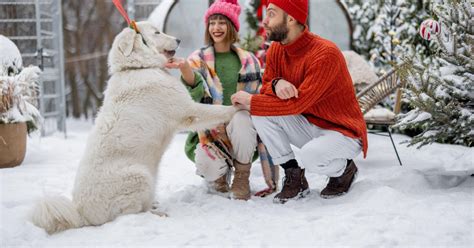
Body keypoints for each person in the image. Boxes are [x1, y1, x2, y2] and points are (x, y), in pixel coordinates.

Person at [231, 0, 368, 203]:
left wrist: (251, 101)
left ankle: (345, 170)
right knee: (262, 113)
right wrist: (277, 83)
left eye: (271, 14)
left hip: (343, 131)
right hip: (309, 123)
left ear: (291, 18)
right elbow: (267, 84)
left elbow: (299, 103)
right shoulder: (277, 48)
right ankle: (294, 177)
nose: (265, 21)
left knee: (310, 157)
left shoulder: (325, 54)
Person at [165, 0, 263, 200]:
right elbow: (193, 96)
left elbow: (257, 99)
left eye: (221, 22)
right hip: (209, 129)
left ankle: (242, 175)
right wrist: (185, 68)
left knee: (243, 117)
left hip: (239, 128)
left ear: (232, 26)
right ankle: (218, 175)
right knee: (207, 163)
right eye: (212, 23)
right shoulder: (198, 58)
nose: (216, 28)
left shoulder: (249, 60)